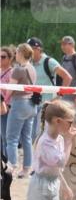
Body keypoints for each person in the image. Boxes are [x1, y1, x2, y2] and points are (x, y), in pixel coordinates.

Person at [27, 37, 72, 145]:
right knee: (32, 136)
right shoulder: (29, 63)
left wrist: (59, 96)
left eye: (31, 49)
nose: (29, 52)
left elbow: (67, 77)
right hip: (33, 103)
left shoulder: (49, 61)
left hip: (47, 105)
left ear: (39, 49)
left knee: (42, 135)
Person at [5, 44, 38, 179]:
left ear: (21, 53)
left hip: (19, 104)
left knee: (11, 138)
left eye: (17, 52)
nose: (15, 55)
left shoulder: (18, 70)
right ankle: (26, 169)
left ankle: (11, 166)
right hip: (31, 104)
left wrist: (5, 100)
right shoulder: (32, 68)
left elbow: (10, 90)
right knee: (27, 139)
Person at [0, 46, 13, 146]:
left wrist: (7, 105)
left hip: (7, 107)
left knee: (5, 136)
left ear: (10, 58)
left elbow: (11, 91)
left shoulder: (12, 73)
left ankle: (6, 159)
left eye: (3, 57)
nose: (0, 58)